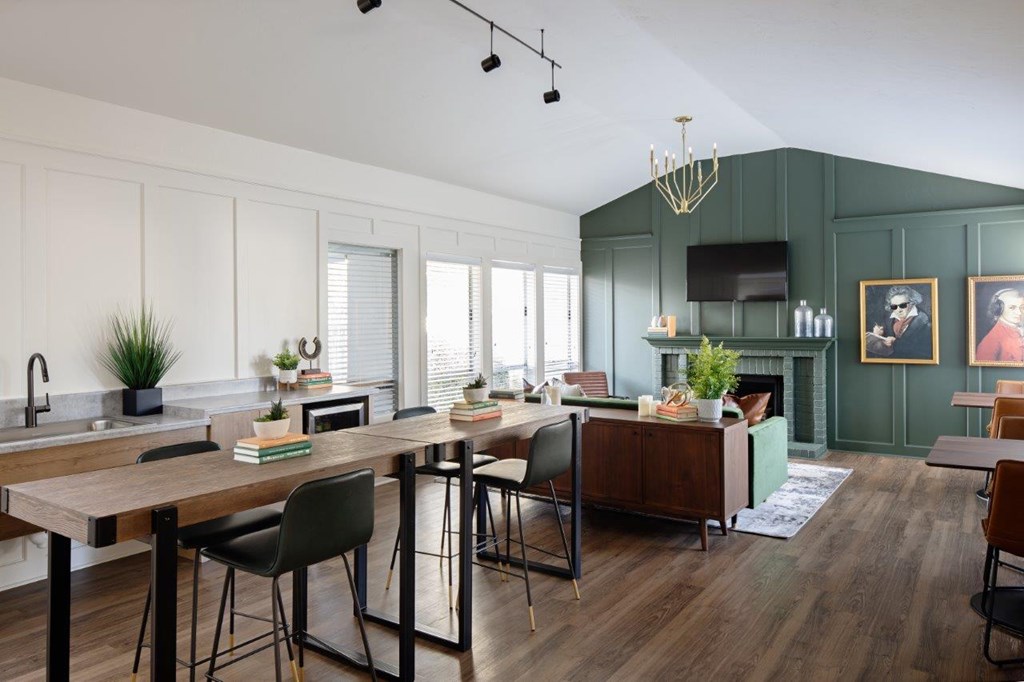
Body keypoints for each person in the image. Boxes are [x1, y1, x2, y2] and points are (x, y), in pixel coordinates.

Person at [865, 285, 932, 359]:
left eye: (902, 305)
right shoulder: (888, 319)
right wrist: (878, 336)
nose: (898, 310)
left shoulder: (926, 322)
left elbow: (925, 352)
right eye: (894, 306)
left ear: (912, 302)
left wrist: (895, 343)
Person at [976, 288, 1024, 362]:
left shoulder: (1018, 331)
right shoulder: (990, 341)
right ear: (998, 309)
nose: (1019, 313)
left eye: (1021, 307)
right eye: (1012, 308)